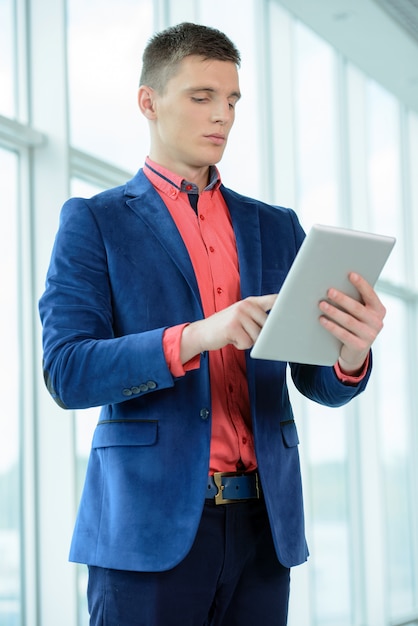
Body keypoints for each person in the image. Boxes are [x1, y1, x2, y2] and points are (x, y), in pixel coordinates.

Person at [39, 22, 386, 626]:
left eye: (231, 100)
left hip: (263, 528)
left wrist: (349, 354)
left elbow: (315, 382)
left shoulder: (277, 228)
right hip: (147, 533)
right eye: (202, 97)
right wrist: (200, 334)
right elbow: (67, 371)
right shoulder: (94, 222)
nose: (221, 115)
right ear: (149, 101)